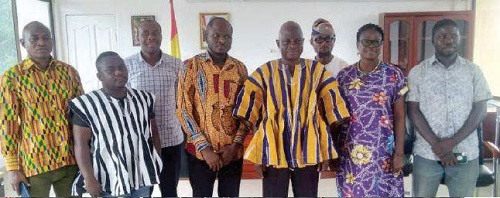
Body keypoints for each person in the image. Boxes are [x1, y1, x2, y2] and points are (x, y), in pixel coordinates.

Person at [233, 21, 350, 197]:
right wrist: (260, 152)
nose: (292, 46)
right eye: (287, 41)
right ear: (278, 43)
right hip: (273, 150)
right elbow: (249, 113)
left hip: (308, 149)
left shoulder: (318, 71)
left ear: (304, 42)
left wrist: (324, 150)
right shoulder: (264, 72)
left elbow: (333, 112)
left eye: (297, 41)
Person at [407, 18, 492, 197]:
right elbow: (413, 111)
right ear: (433, 39)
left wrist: (450, 144)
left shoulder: (473, 71)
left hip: (465, 153)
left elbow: (480, 110)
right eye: (442, 36)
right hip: (427, 154)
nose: (449, 40)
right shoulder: (418, 72)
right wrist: (438, 145)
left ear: (460, 38)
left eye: (454, 35)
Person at [0, 21, 83, 197]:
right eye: (34, 38)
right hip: (34, 164)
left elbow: (81, 115)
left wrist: (86, 154)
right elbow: (8, 124)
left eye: (46, 38)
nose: (41, 42)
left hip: (69, 160)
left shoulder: (68, 72)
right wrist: (13, 168)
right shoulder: (12, 77)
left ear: (51, 41)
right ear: (23, 43)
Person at [70, 51, 162, 197]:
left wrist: (157, 161)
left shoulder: (144, 99)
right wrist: (89, 178)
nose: (118, 72)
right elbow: (81, 145)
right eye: (110, 70)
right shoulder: (86, 105)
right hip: (108, 179)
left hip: (141, 176)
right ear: (100, 76)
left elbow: (153, 132)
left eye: (121, 67)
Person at [176, 17, 248, 197]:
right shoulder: (190, 66)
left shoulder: (239, 68)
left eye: (227, 36)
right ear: (205, 36)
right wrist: (205, 149)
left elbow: (246, 110)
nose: (222, 40)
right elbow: (183, 110)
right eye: (216, 35)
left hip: (232, 153)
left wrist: (235, 145)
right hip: (200, 154)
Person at [335, 23, 407, 197]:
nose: (371, 46)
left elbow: (399, 117)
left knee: (382, 191)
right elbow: (337, 117)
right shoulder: (344, 76)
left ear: (382, 45)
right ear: (357, 45)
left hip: (383, 151)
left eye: (376, 42)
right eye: (366, 42)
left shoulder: (394, 75)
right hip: (350, 151)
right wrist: (334, 152)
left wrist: (399, 153)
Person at [124, 19, 183, 197]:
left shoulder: (177, 64)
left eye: (155, 32)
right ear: (137, 37)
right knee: (143, 191)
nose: (151, 37)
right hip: (141, 141)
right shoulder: (126, 65)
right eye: (145, 33)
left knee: (170, 191)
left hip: (171, 139)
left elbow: (182, 101)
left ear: (161, 35)